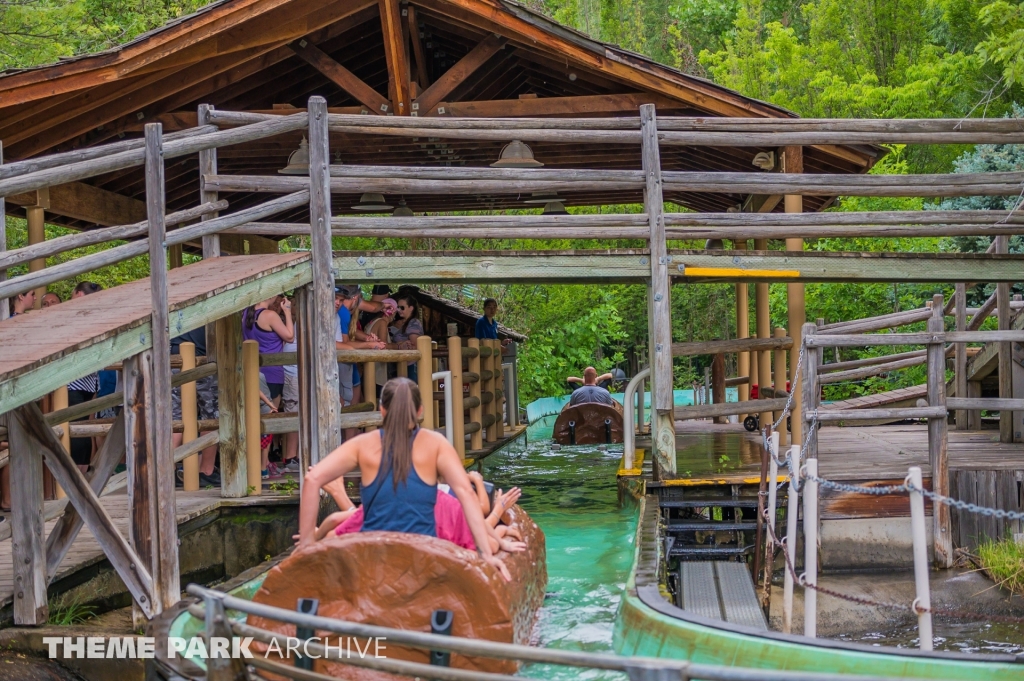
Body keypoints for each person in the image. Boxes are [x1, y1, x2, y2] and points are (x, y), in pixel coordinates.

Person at [298, 378, 514, 580]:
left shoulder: (362, 444)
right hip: (424, 553)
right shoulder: (436, 443)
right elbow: (466, 494)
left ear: (382, 410)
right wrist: (485, 553)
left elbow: (313, 478)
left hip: (372, 553)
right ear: (420, 411)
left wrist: (307, 543)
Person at [170, 326, 221, 487]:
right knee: (210, 415)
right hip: (201, 360)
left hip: (173, 359)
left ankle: (166, 468)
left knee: (175, 417)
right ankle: (206, 470)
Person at [67, 281, 104, 471]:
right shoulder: (96, 319)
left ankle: (76, 472)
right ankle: (80, 471)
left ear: (79, 295)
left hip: (72, 381)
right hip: (90, 382)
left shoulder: (70, 318)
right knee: (82, 428)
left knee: (76, 429)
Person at [242, 295, 293, 407]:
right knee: (271, 412)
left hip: (252, 370)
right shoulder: (270, 315)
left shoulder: (246, 313)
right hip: (271, 373)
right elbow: (290, 337)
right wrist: (287, 311)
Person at [388, 293, 423, 382]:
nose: (399, 310)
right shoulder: (404, 323)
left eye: (402, 307)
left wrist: (398, 345)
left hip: (409, 365)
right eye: (398, 307)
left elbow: (414, 345)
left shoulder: (414, 322)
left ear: (411, 308)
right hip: (401, 364)